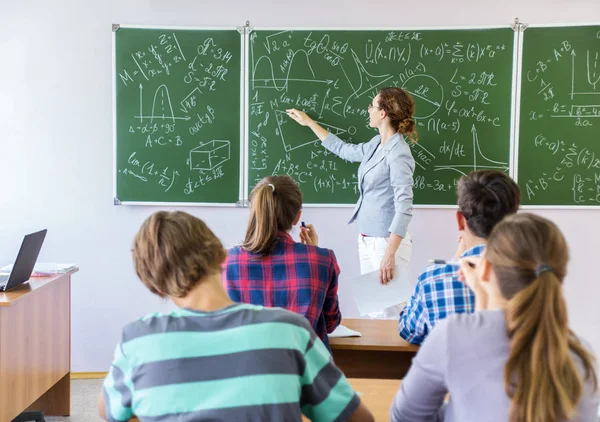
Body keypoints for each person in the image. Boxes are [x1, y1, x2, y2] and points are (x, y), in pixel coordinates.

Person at [98, 211, 374, 422]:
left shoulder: (138, 341)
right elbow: (356, 418)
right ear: (221, 256)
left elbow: (107, 410)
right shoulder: (289, 330)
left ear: (155, 286)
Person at [391, 213, 599, 422]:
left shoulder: (453, 334)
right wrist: (482, 298)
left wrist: (456, 410)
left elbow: (406, 417)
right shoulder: (582, 356)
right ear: (559, 274)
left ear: (486, 269)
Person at [286, 87, 417, 298]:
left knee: (389, 310)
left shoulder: (398, 153)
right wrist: (309, 123)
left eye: (372, 106)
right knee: (374, 310)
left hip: (385, 241)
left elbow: (404, 206)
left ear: (382, 113)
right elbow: (344, 149)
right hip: (367, 237)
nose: (368, 110)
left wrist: (390, 253)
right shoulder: (377, 144)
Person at [398, 170, 520, 344]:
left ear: (460, 220)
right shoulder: (533, 276)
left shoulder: (432, 278)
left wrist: (457, 258)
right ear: (514, 222)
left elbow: (409, 331)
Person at [225, 175, 341, 350]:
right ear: (297, 217)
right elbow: (331, 322)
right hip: (303, 372)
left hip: (244, 370)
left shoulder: (226, 261)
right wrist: (313, 254)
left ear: (255, 211)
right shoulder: (323, 260)